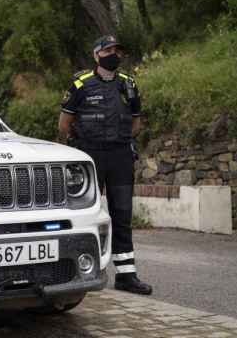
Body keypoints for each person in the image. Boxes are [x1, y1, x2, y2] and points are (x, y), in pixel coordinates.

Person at [58, 35, 153, 295]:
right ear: (96, 55)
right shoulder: (81, 84)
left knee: (122, 215)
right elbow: (64, 125)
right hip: (91, 156)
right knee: (85, 214)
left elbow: (136, 123)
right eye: (108, 50)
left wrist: (122, 141)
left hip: (120, 156)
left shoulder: (128, 84)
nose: (115, 54)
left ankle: (126, 276)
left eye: (117, 50)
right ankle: (76, 272)